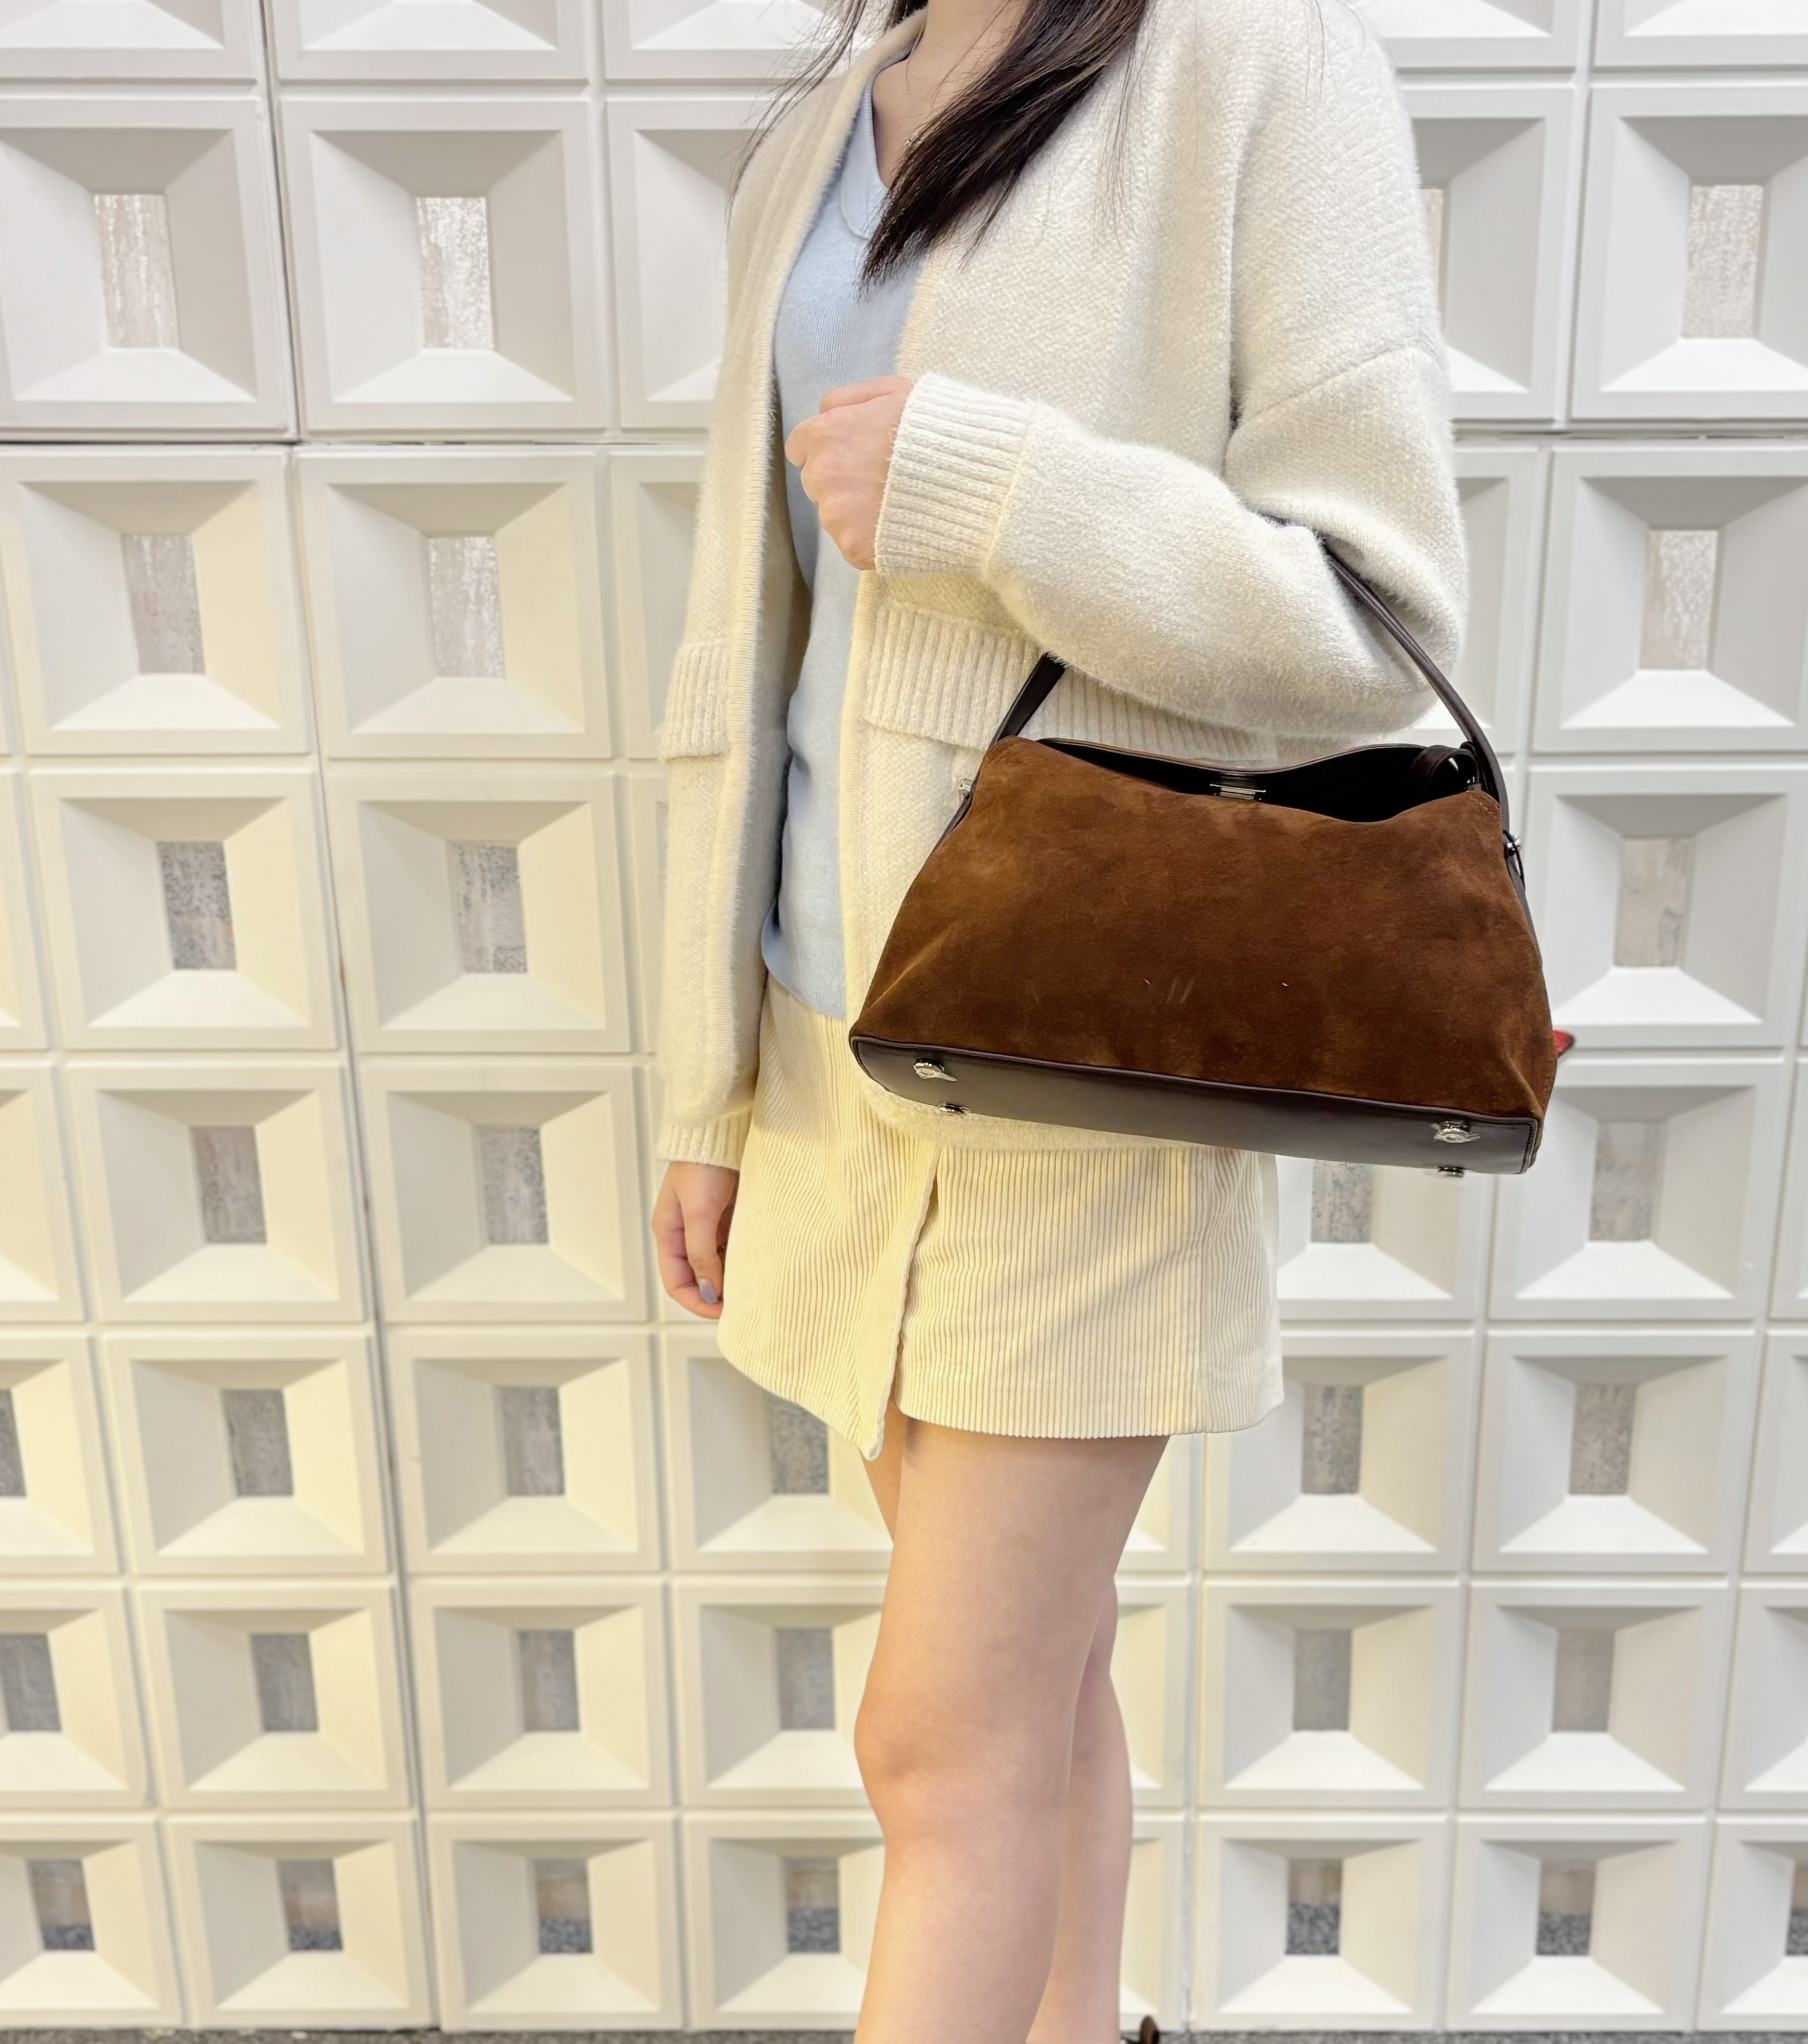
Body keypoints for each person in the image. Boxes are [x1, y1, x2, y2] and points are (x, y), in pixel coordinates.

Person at [646, 2, 1468, 2036]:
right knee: (1032, 1693)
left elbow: (1373, 626)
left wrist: (993, 486)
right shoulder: (830, 115)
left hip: (1076, 1061)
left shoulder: (1257, 66)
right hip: (833, 1044)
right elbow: (745, 645)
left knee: (934, 1746)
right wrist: (706, 1085)